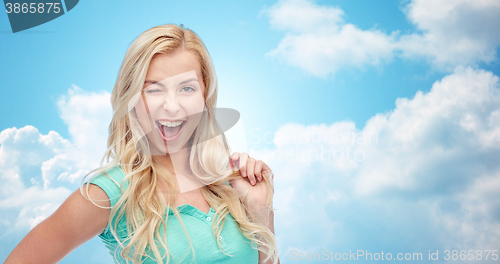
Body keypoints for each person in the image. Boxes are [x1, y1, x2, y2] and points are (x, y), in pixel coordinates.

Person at [5, 24, 279, 264]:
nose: (172, 107)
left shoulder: (229, 186)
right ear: (131, 98)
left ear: (205, 94)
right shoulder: (109, 193)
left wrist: (259, 209)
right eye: (153, 89)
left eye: (186, 88)